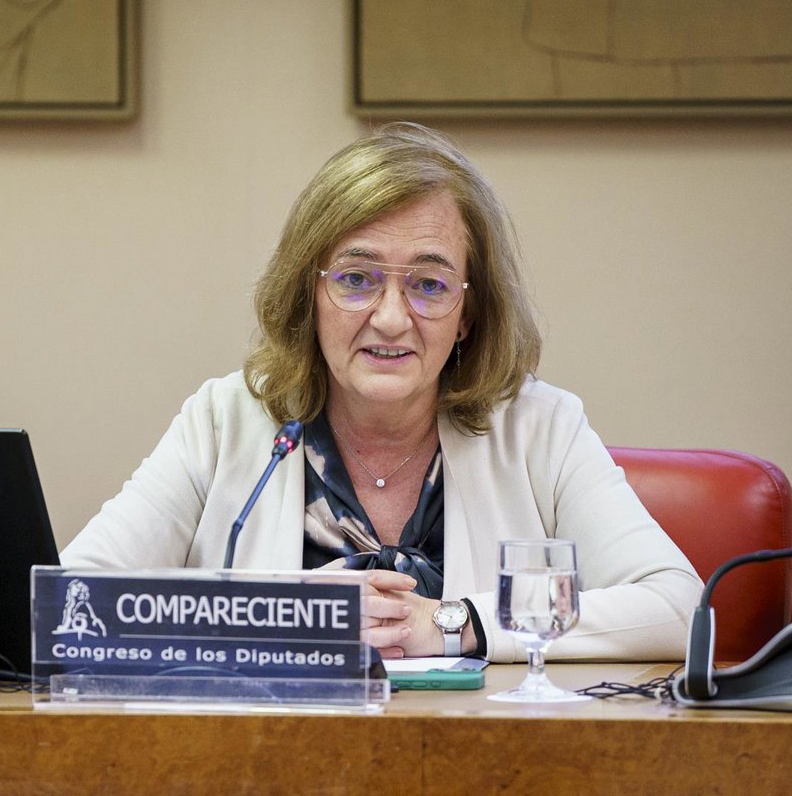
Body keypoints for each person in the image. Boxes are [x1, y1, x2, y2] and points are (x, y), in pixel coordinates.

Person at [61, 123, 702, 663]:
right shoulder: (225, 421)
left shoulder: (540, 429)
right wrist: (286, 614)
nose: (391, 318)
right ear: (309, 295)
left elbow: (679, 607)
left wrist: (453, 623)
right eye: (357, 279)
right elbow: (70, 601)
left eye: (429, 285)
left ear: (468, 315)